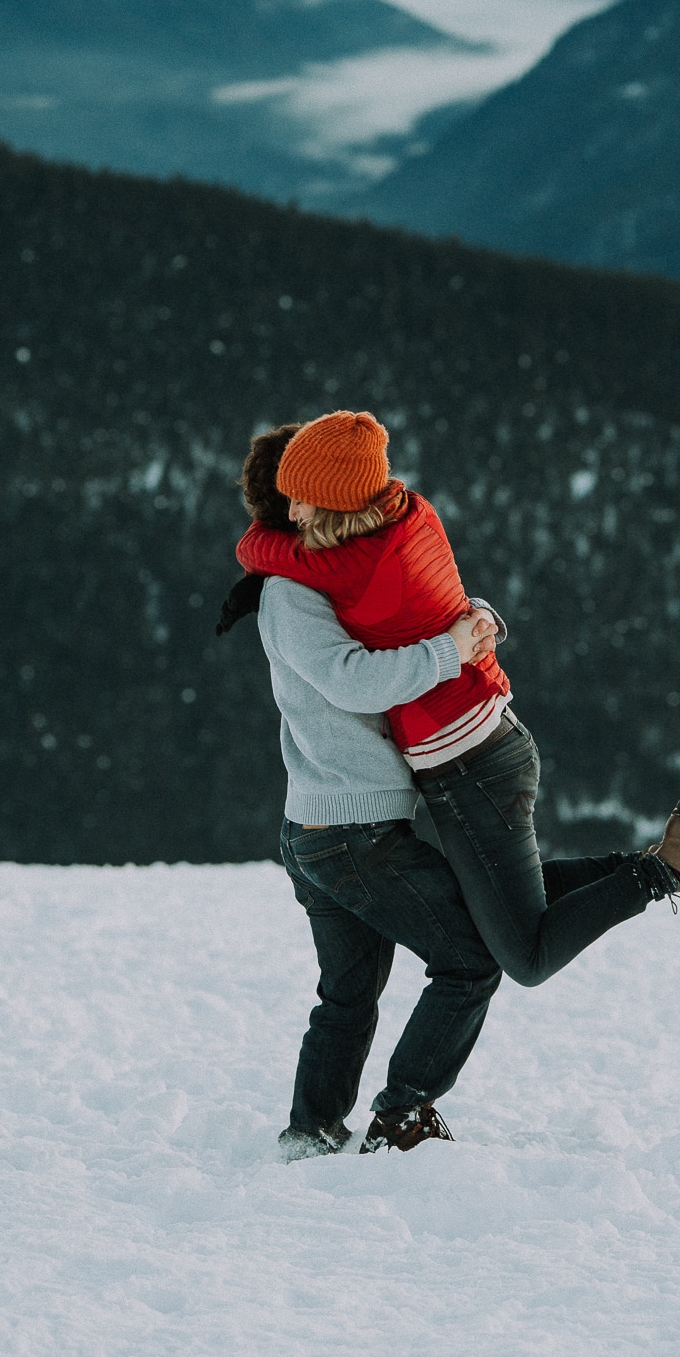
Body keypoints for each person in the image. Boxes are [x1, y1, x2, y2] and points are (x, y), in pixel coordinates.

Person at [237, 411, 680, 1001]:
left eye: (301, 501)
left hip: (472, 763)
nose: (289, 517)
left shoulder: (359, 561)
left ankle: (666, 868)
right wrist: (474, 622)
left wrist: (453, 642)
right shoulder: (408, 517)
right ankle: (670, 857)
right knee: (507, 908)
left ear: (339, 503)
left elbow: (286, 570)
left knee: (525, 955)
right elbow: (429, 601)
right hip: (477, 749)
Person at [230, 424, 506, 1159]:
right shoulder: (291, 595)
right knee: (471, 960)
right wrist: (453, 650)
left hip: (322, 827)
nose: (301, 518)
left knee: (347, 997)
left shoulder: (315, 579)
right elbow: (356, 677)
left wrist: (463, 619)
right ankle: (401, 1114)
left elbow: (398, 614)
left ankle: (309, 1132)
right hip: (352, 834)